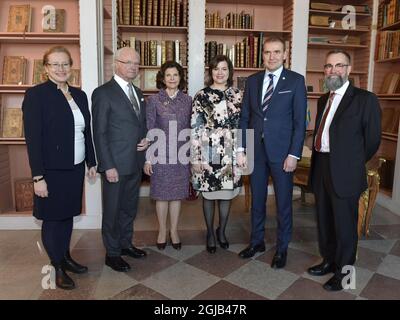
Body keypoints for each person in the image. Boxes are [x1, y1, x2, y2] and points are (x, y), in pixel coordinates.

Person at [22, 46, 97, 290]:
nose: (61, 69)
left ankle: (65, 257)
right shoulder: (36, 96)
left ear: (71, 66)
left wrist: (91, 161)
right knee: (52, 220)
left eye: (65, 64)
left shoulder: (80, 94)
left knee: (67, 216)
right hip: (50, 171)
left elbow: (86, 132)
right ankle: (57, 266)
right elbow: (33, 139)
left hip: (75, 167)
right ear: (46, 68)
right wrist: (38, 177)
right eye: (55, 64)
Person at [307, 50, 381, 291]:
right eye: (329, 66)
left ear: (348, 69)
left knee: (346, 226)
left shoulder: (364, 99)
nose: (333, 70)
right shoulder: (322, 99)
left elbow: (372, 140)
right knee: (325, 221)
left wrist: (351, 161)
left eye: (339, 65)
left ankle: (344, 273)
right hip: (322, 168)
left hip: (346, 171)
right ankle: (329, 261)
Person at [237, 36, 307, 268]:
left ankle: (282, 248)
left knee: (283, 203)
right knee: (257, 200)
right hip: (256, 151)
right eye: (267, 52)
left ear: (285, 54)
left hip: (283, 153)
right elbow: (245, 116)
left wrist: (294, 154)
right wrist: (241, 148)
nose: (272, 56)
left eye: (277, 52)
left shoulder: (296, 81)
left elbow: (299, 122)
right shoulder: (253, 81)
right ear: (262, 55)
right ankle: (257, 241)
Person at [92, 47, 149, 272]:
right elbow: (100, 132)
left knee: (129, 209)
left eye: (136, 63)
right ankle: (112, 253)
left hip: (134, 163)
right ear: (116, 64)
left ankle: (125, 245)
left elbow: (139, 125)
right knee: (113, 211)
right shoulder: (103, 93)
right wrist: (107, 165)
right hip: (115, 165)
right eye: (128, 62)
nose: (133, 67)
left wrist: (145, 141)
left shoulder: (137, 91)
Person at [191, 55, 242, 254]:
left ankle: (222, 231)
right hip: (208, 151)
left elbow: (242, 124)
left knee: (227, 195)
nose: (220, 73)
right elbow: (195, 127)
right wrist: (196, 157)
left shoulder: (238, 95)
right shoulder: (201, 95)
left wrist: (242, 152)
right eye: (216, 69)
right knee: (209, 195)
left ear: (229, 72)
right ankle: (210, 233)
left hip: (231, 152)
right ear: (210, 72)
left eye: (224, 69)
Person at [144, 61, 192, 250]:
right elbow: (150, 128)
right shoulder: (153, 101)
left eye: (176, 75)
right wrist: (148, 158)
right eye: (168, 75)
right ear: (163, 78)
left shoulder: (188, 100)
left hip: (181, 155)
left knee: (177, 196)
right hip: (160, 154)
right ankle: (162, 230)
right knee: (162, 196)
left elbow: (191, 128)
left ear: (180, 78)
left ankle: (174, 231)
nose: (172, 78)